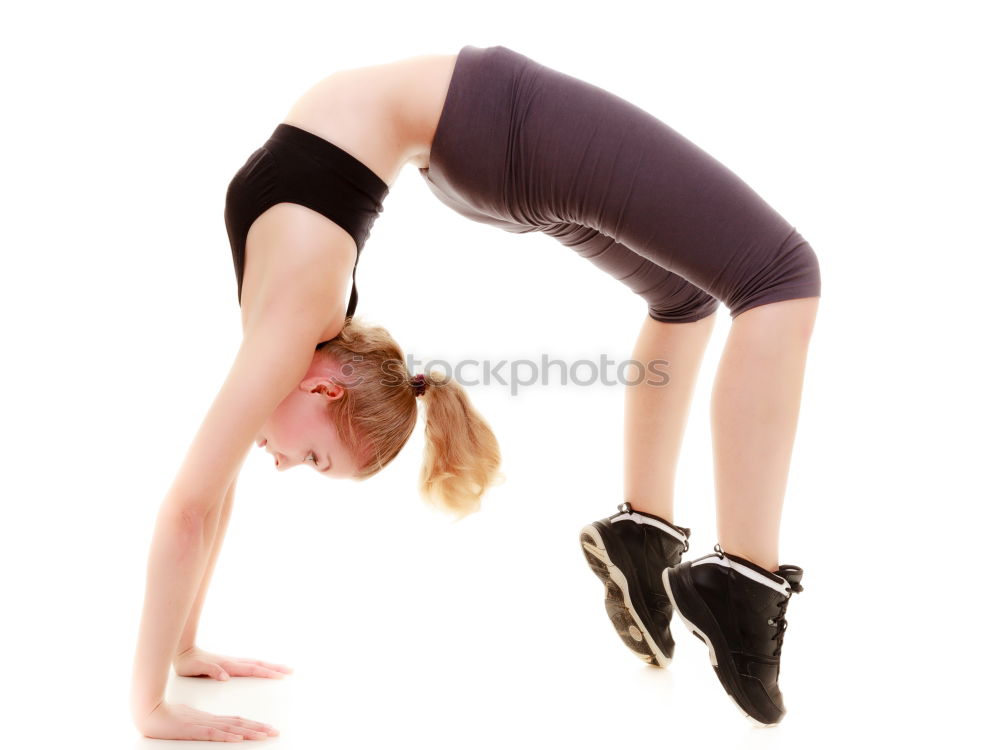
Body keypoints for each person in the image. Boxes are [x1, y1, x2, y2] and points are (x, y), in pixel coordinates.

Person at [131, 43, 821, 741]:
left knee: (715, 289)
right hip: (483, 137)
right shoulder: (292, 326)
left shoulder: (288, 326)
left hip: (483, 130)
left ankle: (673, 549)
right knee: (776, 277)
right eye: (312, 462)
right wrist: (166, 676)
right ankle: (723, 569)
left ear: (325, 389)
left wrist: (165, 681)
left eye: (315, 460)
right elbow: (203, 498)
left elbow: (195, 503)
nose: (283, 464)